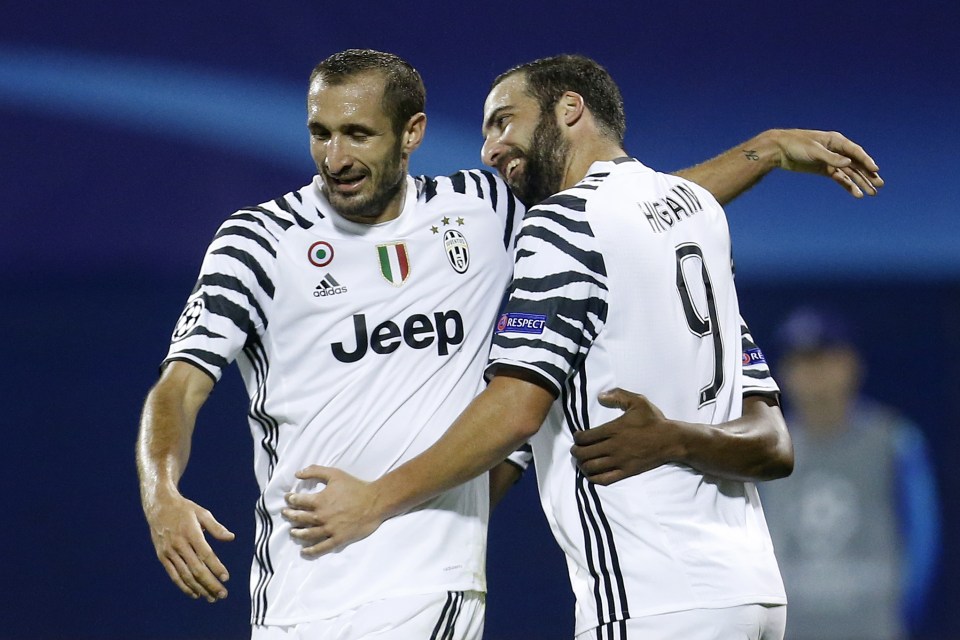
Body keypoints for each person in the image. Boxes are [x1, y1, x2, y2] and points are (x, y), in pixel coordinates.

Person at [136, 49, 882, 639]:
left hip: (433, 585)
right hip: (297, 590)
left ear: (412, 132)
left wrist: (764, 154)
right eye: (320, 133)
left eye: (358, 133)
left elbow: (630, 213)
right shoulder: (257, 240)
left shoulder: (484, 209)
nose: (335, 157)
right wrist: (161, 492)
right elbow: (180, 384)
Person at [758, 307, 940, 640]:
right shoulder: (764, 447)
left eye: (824, 359)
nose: (813, 375)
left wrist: (899, 612)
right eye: (800, 363)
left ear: (850, 364)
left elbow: (922, 536)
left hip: (871, 628)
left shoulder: (893, 441)